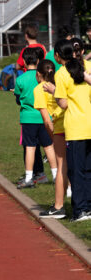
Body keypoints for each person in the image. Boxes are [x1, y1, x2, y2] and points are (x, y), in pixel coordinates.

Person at [54, 39, 91, 222]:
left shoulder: (61, 73)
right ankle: (88, 206)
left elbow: (62, 101)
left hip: (75, 126)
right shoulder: (83, 70)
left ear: (58, 56)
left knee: (76, 170)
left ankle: (80, 210)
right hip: (89, 123)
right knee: (88, 168)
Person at [14, 48, 57, 189]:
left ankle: (28, 177)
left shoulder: (20, 79)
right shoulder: (45, 79)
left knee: (30, 148)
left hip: (28, 119)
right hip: (45, 117)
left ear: (24, 62)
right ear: (38, 61)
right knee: (49, 147)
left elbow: (18, 100)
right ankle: (56, 175)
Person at [34, 58, 67, 218]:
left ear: (39, 74)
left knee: (62, 164)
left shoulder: (39, 89)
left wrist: (52, 137)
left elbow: (46, 119)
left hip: (58, 127)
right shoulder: (59, 82)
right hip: (72, 122)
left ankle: (59, 205)